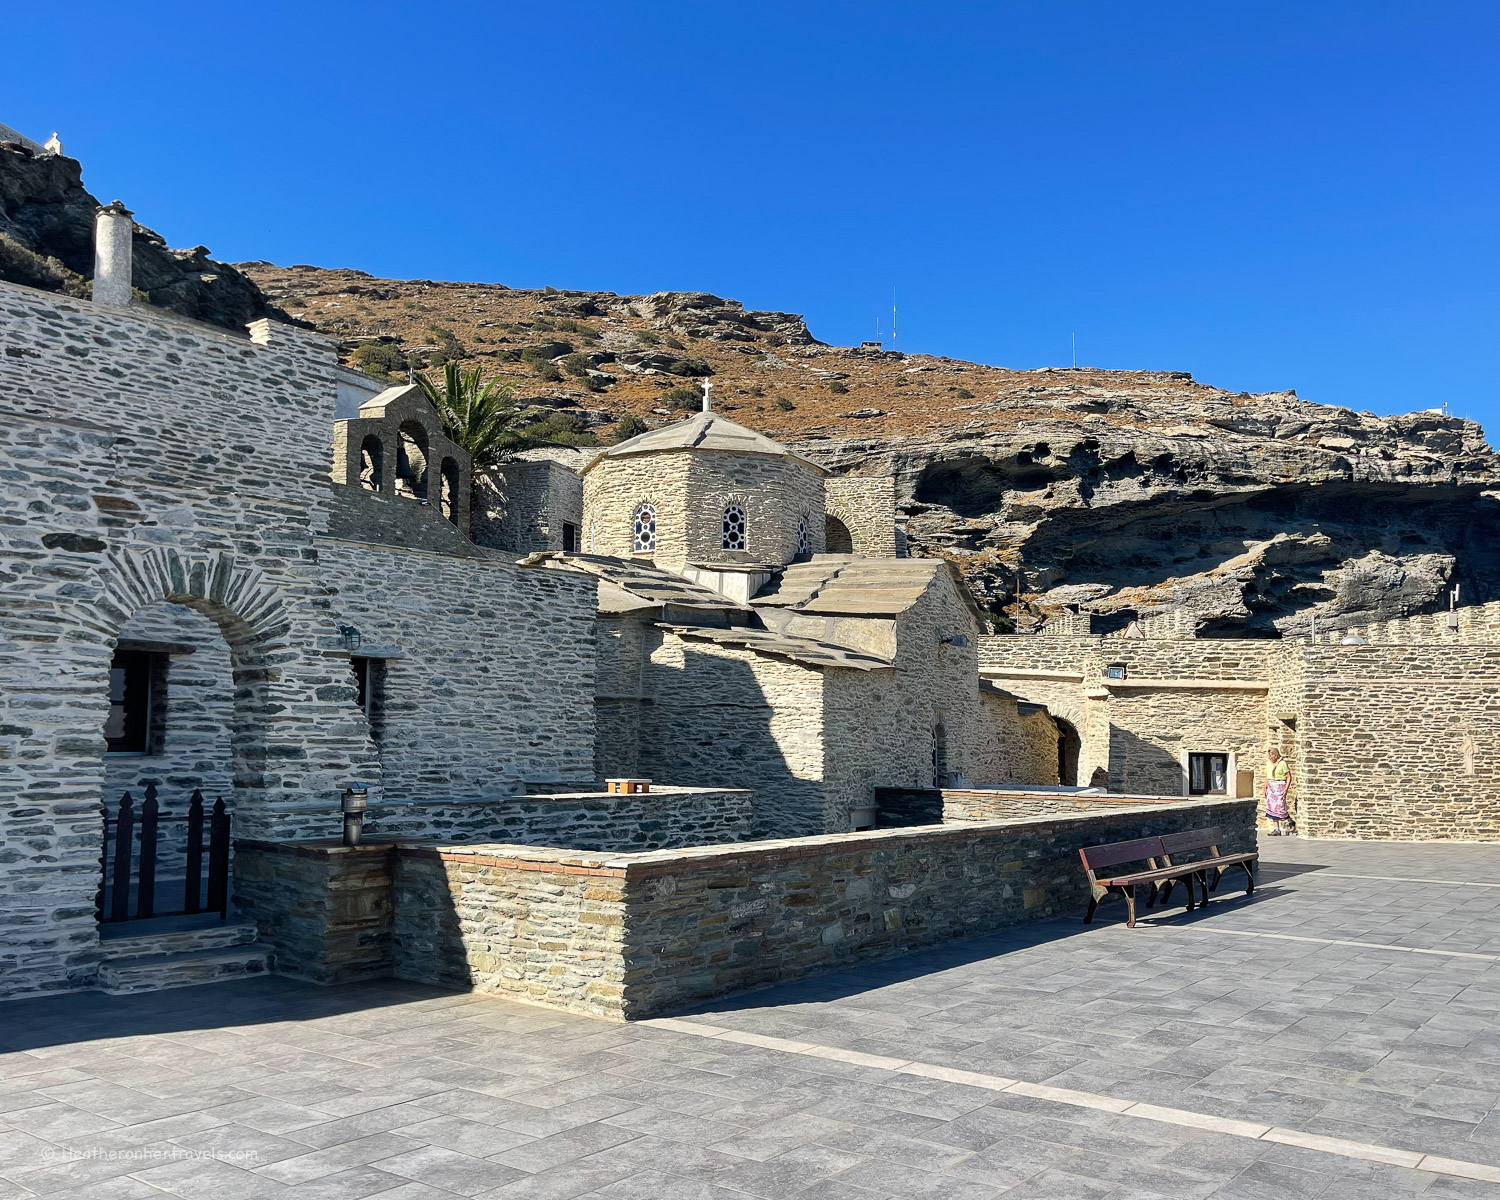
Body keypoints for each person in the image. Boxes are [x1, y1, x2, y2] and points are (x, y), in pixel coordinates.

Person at [1265, 748, 1295, 836]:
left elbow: (1288, 776)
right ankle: (1276, 829)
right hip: (1271, 786)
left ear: (1276, 755)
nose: (1270, 758)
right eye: (1269, 756)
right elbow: (1267, 776)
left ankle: (1290, 821)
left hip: (1279, 786)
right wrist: (1265, 786)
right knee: (1272, 808)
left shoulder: (1282, 764)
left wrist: (1286, 789)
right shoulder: (1268, 764)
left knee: (1280, 807)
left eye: (1271, 756)